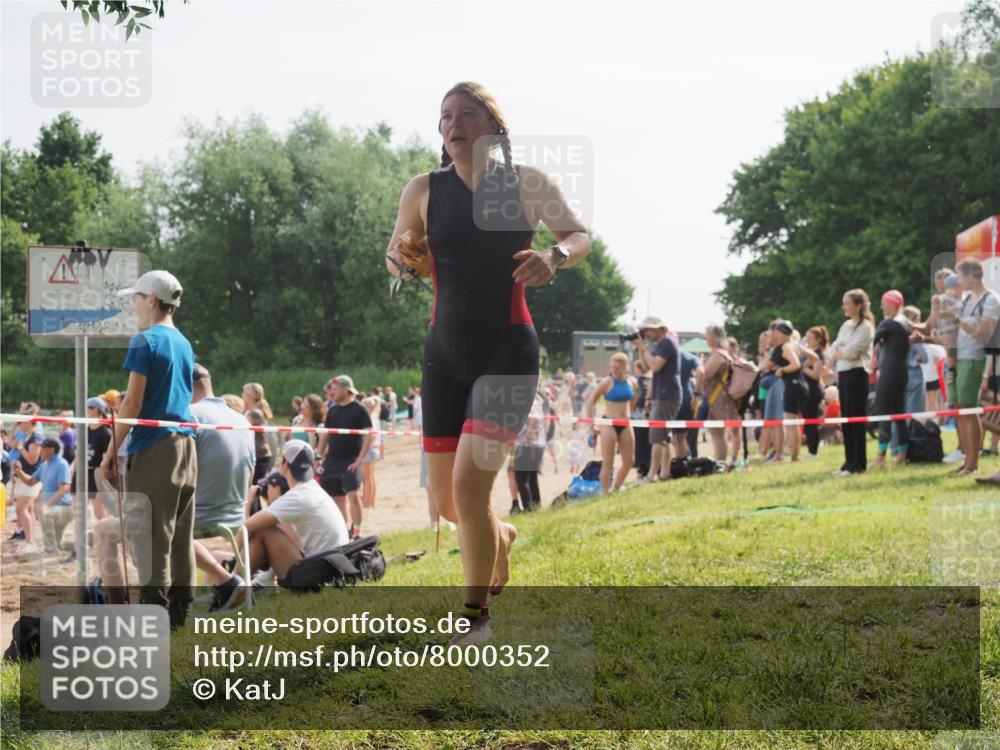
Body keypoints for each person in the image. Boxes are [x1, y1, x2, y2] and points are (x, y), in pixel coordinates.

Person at [384, 81, 590, 642]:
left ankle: (474, 616)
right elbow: (400, 257)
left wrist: (554, 255)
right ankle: (499, 538)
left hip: (507, 349)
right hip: (443, 354)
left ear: (493, 127)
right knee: (450, 503)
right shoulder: (423, 189)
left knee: (471, 488)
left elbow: (577, 235)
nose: (454, 124)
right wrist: (402, 259)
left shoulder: (526, 183)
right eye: (446, 116)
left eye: (467, 115)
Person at [103, 269, 197, 628]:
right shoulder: (184, 343)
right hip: (187, 447)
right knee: (180, 535)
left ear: (152, 301)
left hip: (156, 448)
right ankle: (179, 614)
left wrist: (112, 451)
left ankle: (153, 616)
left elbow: (131, 404)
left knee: (152, 537)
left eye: (136, 299)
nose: (133, 306)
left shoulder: (144, 341)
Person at [189, 364, 255, 611]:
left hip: (202, 516)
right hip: (236, 516)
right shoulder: (242, 419)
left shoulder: (189, 415)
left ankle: (224, 581)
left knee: (157, 527)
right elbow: (251, 474)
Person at [242, 440, 349, 581]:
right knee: (272, 528)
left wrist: (248, 502)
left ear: (285, 464)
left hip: (320, 573)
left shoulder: (297, 496)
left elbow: (246, 526)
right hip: (334, 568)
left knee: (265, 529)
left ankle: (232, 584)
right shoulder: (313, 488)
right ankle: (257, 581)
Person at [951, 258, 999, 475]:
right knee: (962, 410)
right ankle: (967, 461)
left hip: (974, 358)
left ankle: (973, 464)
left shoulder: (991, 300)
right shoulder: (968, 298)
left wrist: (958, 321)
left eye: (961, 276)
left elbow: (984, 334)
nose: (959, 282)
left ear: (971, 276)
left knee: (970, 411)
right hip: (962, 358)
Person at [317, 375, 374, 539]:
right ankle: (344, 531)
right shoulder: (332, 410)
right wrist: (318, 456)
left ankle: (356, 532)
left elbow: (369, 434)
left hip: (351, 460)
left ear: (345, 389)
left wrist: (359, 460)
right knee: (337, 499)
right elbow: (326, 435)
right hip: (332, 461)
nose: (332, 392)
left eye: (335, 388)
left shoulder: (359, 408)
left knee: (353, 496)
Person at [830, 289, 875, 476]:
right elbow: (834, 347)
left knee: (856, 419)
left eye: (848, 303)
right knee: (846, 418)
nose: (845, 307)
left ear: (858, 306)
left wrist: (843, 352)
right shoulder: (846, 325)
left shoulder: (866, 327)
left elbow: (853, 351)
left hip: (858, 374)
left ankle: (859, 463)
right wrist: (841, 352)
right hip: (844, 374)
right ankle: (849, 461)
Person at [634, 316, 681, 482]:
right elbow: (646, 367)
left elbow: (655, 365)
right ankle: (664, 473)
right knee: (664, 437)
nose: (646, 333)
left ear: (659, 328)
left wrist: (643, 348)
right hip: (663, 395)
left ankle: (652, 474)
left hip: (666, 396)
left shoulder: (667, 343)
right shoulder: (661, 345)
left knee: (657, 437)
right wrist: (641, 349)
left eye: (648, 329)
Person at [584, 353, 638, 493]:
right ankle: (605, 493)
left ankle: (616, 488)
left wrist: (629, 413)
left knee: (629, 461)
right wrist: (592, 426)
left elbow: (633, 399)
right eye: (612, 367)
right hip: (608, 423)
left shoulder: (631, 382)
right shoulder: (607, 382)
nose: (614, 370)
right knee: (608, 462)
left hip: (626, 423)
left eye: (618, 368)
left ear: (625, 367)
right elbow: (591, 401)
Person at [11, 438, 72, 556]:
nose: (40, 451)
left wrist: (47, 504)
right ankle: (84, 543)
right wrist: (19, 471)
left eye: (42, 449)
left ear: (51, 450)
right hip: (55, 509)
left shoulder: (61, 464)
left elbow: (64, 488)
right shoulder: (44, 465)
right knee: (61, 544)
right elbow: (30, 481)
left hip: (64, 508)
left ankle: (49, 550)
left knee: (44, 512)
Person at [872, 290, 912, 467]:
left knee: (883, 413)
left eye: (883, 303)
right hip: (902, 372)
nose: (881, 306)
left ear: (890, 304)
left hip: (889, 372)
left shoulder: (889, 323)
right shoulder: (905, 322)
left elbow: (870, 341)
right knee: (899, 414)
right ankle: (902, 454)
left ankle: (881, 456)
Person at [699, 325, 741, 465]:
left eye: (707, 335)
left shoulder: (718, 354)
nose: (706, 338)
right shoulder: (721, 353)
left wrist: (699, 366)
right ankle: (720, 462)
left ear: (714, 336)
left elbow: (707, 373)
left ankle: (720, 463)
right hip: (717, 398)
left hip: (718, 399)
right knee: (717, 434)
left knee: (717, 435)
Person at [8, 404, 44, 547]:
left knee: (21, 509)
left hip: (31, 478)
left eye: (21, 422)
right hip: (24, 476)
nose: (19, 425)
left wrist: (21, 448)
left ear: (28, 422)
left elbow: (32, 460)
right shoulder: (28, 435)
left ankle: (30, 541)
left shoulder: (36, 437)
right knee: (27, 509)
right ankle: (30, 539)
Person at [512, 388, 547, 510]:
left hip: (527, 445)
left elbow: (535, 418)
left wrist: (530, 432)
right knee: (532, 478)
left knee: (521, 479)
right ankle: (536, 506)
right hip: (538, 445)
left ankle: (528, 509)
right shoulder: (536, 401)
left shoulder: (526, 402)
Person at [84, 397, 114, 522]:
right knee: (94, 510)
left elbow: (106, 457)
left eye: (87, 408)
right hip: (88, 472)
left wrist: (102, 478)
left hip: (98, 473)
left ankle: (105, 538)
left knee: (100, 509)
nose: (84, 411)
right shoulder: (87, 430)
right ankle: (100, 536)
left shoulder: (105, 432)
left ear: (95, 410)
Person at [802, 326, 830, 459]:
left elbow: (815, 375)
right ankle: (810, 450)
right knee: (808, 423)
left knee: (811, 423)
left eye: (810, 338)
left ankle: (813, 452)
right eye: (806, 337)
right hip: (807, 391)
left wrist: (802, 369)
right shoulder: (810, 353)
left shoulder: (818, 354)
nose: (807, 340)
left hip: (813, 391)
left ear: (818, 340)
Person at [673, 346, 701, 463]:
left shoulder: (666, 355)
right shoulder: (690, 356)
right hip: (687, 397)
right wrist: (696, 393)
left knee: (674, 437)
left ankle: (680, 462)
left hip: (672, 397)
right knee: (682, 436)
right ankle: (684, 461)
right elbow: (701, 371)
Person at [242, 383, 274, 483]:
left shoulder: (254, 413)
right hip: (261, 454)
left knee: (254, 487)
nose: (242, 395)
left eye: (243, 393)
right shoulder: (257, 411)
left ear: (249, 395)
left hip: (259, 455)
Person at [359, 391, 383, 510]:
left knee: (367, 478)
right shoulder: (374, 417)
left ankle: (367, 502)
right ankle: (370, 501)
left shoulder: (369, 418)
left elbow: (371, 436)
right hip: (374, 449)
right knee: (370, 477)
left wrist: (363, 450)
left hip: (369, 449)